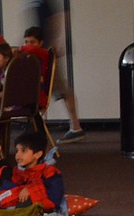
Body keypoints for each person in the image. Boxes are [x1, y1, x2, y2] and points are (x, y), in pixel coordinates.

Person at [24, 1, 85, 143]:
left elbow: (58, 17)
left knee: (61, 89)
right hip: (40, 50)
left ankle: (75, 127)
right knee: (55, 89)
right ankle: (73, 126)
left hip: (46, 52)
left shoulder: (43, 2)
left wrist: (53, 43)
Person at [0, 130, 64, 213]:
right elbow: (3, 196)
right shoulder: (17, 172)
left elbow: (54, 200)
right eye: (17, 151)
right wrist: (19, 191)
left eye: (23, 151)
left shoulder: (50, 173)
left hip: (44, 212)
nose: (18, 155)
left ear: (37, 154)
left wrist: (31, 191)